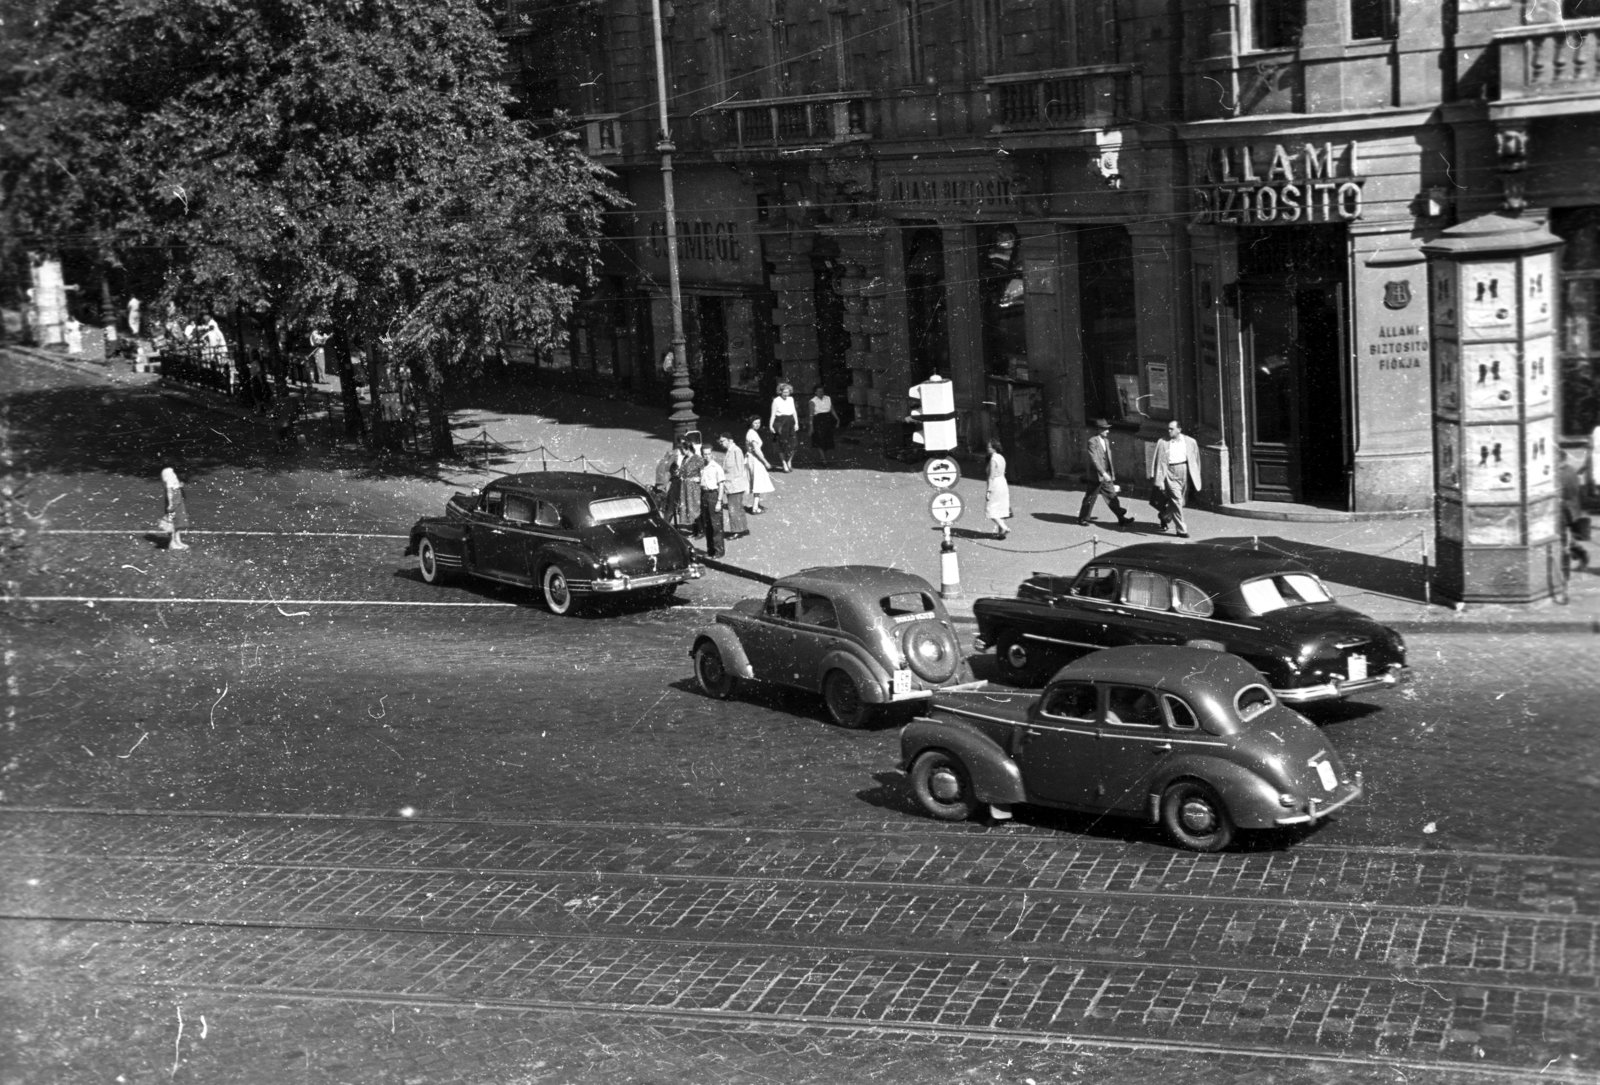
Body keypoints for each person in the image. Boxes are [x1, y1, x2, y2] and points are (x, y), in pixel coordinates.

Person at [1151, 418, 1203, 538]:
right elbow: (1158, 462)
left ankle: (1164, 516)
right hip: (1169, 472)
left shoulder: (1190, 442)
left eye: (1171, 429)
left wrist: (1195, 475)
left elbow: (1196, 460)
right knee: (1176, 499)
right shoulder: (1162, 442)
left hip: (1184, 470)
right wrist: (1159, 481)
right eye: (1168, 428)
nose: (1169, 430)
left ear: (1179, 430)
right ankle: (1181, 529)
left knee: (1181, 501)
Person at [1078, 417, 1134, 527]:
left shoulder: (1106, 441)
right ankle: (1083, 518)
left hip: (1106, 475)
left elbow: (1107, 458)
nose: (1107, 431)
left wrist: (1109, 473)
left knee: (1111, 495)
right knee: (1090, 497)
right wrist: (1103, 473)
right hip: (1097, 475)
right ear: (1099, 429)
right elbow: (1095, 460)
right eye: (1105, 429)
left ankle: (1121, 518)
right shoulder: (1092, 442)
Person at [697, 437, 727, 558]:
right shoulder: (702, 467)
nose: (707, 456)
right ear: (702, 454)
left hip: (713, 495)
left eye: (709, 454)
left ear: (712, 454)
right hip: (704, 495)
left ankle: (719, 551)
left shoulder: (716, 468)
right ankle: (710, 550)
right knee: (707, 524)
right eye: (705, 454)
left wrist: (719, 501)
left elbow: (721, 485)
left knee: (716, 525)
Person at [719, 434, 749, 538]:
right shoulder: (729, 451)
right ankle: (743, 528)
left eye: (723, 441)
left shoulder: (736, 450)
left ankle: (737, 531)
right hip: (731, 484)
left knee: (733, 508)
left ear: (730, 440)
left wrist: (730, 480)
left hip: (735, 485)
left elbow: (740, 470)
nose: (721, 443)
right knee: (738, 507)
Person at [744, 417, 775, 514]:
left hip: (752, 458)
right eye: (755, 423)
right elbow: (757, 450)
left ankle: (756, 505)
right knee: (757, 483)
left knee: (756, 483)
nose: (757, 424)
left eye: (759, 422)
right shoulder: (752, 433)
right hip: (754, 459)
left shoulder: (751, 432)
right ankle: (755, 508)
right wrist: (766, 462)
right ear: (751, 423)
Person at [675, 435, 705, 536]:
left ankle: (701, 530)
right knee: (690, 508)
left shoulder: (698, 459)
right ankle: (695, 530)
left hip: (694, 487)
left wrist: (698, 479)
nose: (681, 451)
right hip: (686, 487)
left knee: (696, 507)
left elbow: (704, 473)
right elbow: (682, 471)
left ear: (687, 449)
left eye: (682, 449)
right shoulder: (685, 459)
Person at [985, 437, 1012, 540]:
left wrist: (988, 490)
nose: (987, 449)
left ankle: (1004, 527)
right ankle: (1001, 534)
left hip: (996, 483)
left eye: (989, 447)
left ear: (994, 448)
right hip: (1003, 482)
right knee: (1000, 509)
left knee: (990, 509)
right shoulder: (1001, 457)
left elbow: (991, 477)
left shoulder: (993, 459)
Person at [769, 382, 799, 471]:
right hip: (780, 423)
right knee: (781, 445)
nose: (786, 394)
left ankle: (789, 461)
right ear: (780, 392)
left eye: (788, 392)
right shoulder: (776, 401)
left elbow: (794, 411)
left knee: (794, 444)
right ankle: (784, 463)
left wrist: (796, 422)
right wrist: (770, 426)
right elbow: (773, 414)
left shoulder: (791, 399)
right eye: (784, 392)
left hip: (790, 423)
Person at [160, 467, 190, 551]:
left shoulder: (171, 472)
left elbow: (172, 486)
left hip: (177, 499)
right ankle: (172, 543)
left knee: (178, 521)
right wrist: (170, 504)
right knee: (173, 522)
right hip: (174, 500)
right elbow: (169, 491)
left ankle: (178, 541)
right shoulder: (168, 473)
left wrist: (179, 485)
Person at [808, 384, 839, 465]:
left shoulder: (828, 398)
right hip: (818, 421)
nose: (821, 393)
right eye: (819, 391)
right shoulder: (812, 401)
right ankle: (824, 459)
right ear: (815, 392)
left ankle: (823, 455)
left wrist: (837, 419)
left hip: (827, 420)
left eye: (822, 391)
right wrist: (811, 426)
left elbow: (832, 409)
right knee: (820, 440)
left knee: (827, 440)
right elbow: (811, 414)